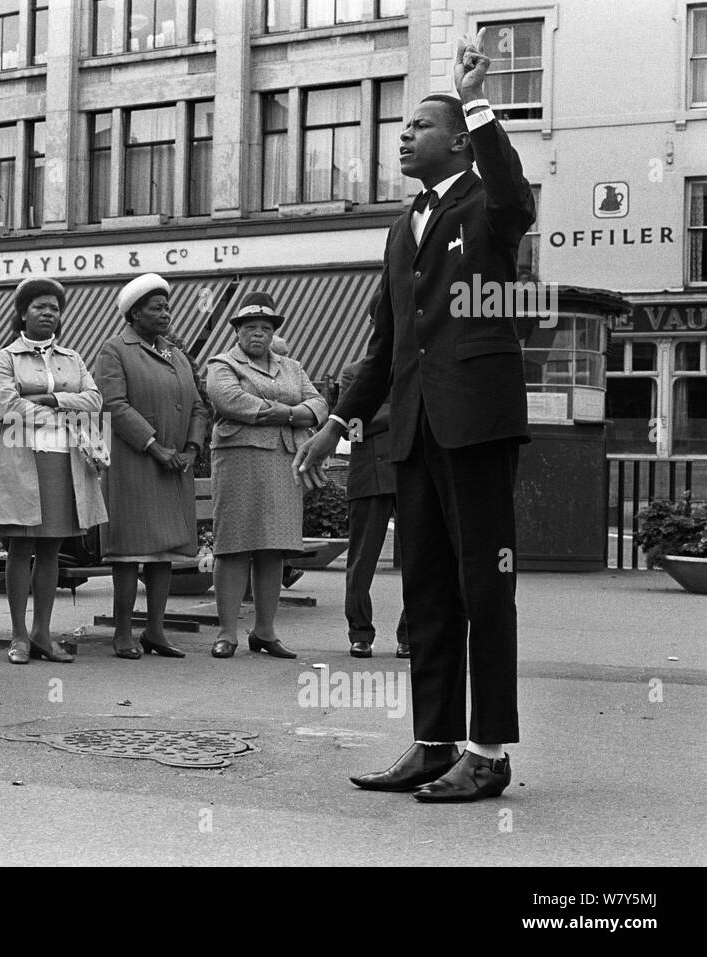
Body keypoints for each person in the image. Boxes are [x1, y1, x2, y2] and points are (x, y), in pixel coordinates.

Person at [293, 31, 535, 802]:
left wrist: (476, 99)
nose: (402, 135)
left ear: (458, 137)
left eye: (419, 126)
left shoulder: (489, 207)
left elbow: (515, 196)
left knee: (485, 586)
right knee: (426, 587)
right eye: (401, 128)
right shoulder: (404, 226)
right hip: (414, 433)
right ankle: (434, 742)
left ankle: (488, 749)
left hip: (477, 424)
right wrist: (338, 420)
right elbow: (386, 342)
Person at [0, 278, 107, 665]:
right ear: (22, 313)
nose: (48, 313)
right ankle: (18, 635)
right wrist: (66, 408)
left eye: (54, 307)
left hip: (64, 459)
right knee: (21, 547)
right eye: (39, 307)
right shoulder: (5, 358)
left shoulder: (73, 358)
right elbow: (10, 409)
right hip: (22, 459)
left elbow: (95, 401)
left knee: (51, 549)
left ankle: (43, 633)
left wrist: (49, 397)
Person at [205, 292, 328, 660]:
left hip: (283, 460)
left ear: (274, 333)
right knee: (234, 544)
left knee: (273, 546)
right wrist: (291, 412)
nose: (258, 334)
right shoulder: (222, 363)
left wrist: (288, 415)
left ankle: (265, 631)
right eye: (250, 327)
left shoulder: (292, 366)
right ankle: (227, 632)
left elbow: (319, 404)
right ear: (237, 331)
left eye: (265, 328)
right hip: (239, 458)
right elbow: (230, 401)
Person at [92, 273, 208, 660]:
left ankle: (155, 630)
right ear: (134, 313)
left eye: (167, 307)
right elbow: (113, 405)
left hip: (175, 465)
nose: (166, 314)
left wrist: (191, 446)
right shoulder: (114, 350)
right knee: (129, 551)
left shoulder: (175, 354)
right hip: (133, 465)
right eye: (157, 308)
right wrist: (154, 445)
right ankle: (123, 632)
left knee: (164, 550)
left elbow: (196, 404)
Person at [339, 297, 410, 660]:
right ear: (373, 322)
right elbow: (353, 429)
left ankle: (409, 634)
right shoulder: (355, 371)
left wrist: (374, 417)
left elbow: (361, 419)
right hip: (371, 471)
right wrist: (402, 418)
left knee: (418, 558)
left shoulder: (416, 365)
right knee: (361, 559)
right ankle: (360, 633)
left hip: (409, 471)